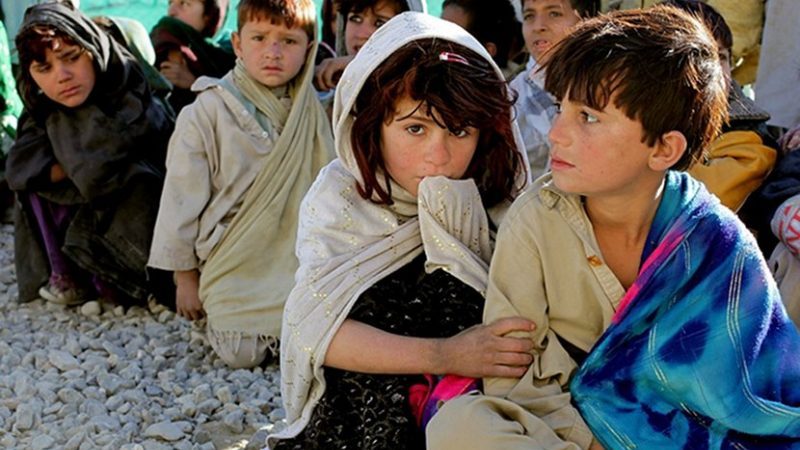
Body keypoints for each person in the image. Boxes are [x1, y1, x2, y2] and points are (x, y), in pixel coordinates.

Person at [428, 6, 800, 449]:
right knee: (461, 425)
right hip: (570, 434)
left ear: (664, 149)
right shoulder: (534, 221)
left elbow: (754, 396)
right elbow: (516, 377)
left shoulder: (716, 242)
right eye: (558, 108)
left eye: (587, 117)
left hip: (681, 439)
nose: (556, 134)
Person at [269, 12, 534, 450]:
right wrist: (446, 354)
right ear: (371, 127)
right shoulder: (342, 199)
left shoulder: (500, 202)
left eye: (460, 131)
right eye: (415, 128)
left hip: (471, 403)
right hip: (366, 406)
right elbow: (315, 331)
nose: (439, 155)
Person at [147, 0, 334, 369]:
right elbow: (181, 199)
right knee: (241, 354)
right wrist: (184, 277)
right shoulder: (206, 112)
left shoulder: (319, 112)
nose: (273, 52)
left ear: (310, 49)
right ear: (237, 44)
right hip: (233, 256)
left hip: (298, 255)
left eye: (289, 42)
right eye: (260, 38)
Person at [6, 0, 174, 306]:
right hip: (84, 219)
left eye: (71, 58)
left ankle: (130, 278)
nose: (62, 75)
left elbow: (120, 160)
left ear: (94, 50)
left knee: (137, 177)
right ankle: (68, 276)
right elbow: (19, 169)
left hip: (139, 226)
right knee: (33, 180)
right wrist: (70, 164)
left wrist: (76, 161)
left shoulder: (130, 95)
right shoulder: (43, 113)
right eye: (44, 68)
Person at [660, 0, 778, 213]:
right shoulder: (632, 117)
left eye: (721, 57)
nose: (711, 70)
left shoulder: (748, 137)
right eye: (694, 56)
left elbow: (693, 205)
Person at [510, 0, 598, 180]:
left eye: (554, 14)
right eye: (529, 16)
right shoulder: (510, 98)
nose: (538, 26)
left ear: (587, 20)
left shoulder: (605, 89)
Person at [313, 0, 425, 93]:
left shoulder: (422, 92)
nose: (361, 34)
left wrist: (362, 67)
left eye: (380, 23)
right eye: (355, 18)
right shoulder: (323, 94)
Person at [150, 0, 235, 112]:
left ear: (209, 15)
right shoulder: (161, 43)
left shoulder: (236, 54)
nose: (172, 12)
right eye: (170, 3)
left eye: (184, 3)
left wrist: (194, 83)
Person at [440, 0, 523, 79]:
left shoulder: (516, 91)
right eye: (437, 28)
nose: (435, 40)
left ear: (486, 52)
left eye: (451, 37)